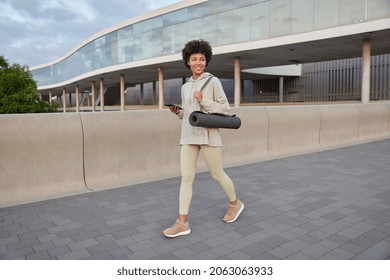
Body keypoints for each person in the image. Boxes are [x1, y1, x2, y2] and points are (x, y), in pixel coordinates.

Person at [163, 39, 244, 238]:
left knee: (217, 174)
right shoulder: (185, 87)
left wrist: (204, 99)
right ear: (188, 62)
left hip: (209, 135)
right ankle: (182, 222)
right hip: (189, 136)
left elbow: (225, 109)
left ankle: (235, 203)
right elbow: (190, 114)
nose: (198, 62)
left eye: (201, 59)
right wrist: (179, 112)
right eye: (194, 59)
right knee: (186, 178)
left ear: (206, 61)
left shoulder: (213, 81)